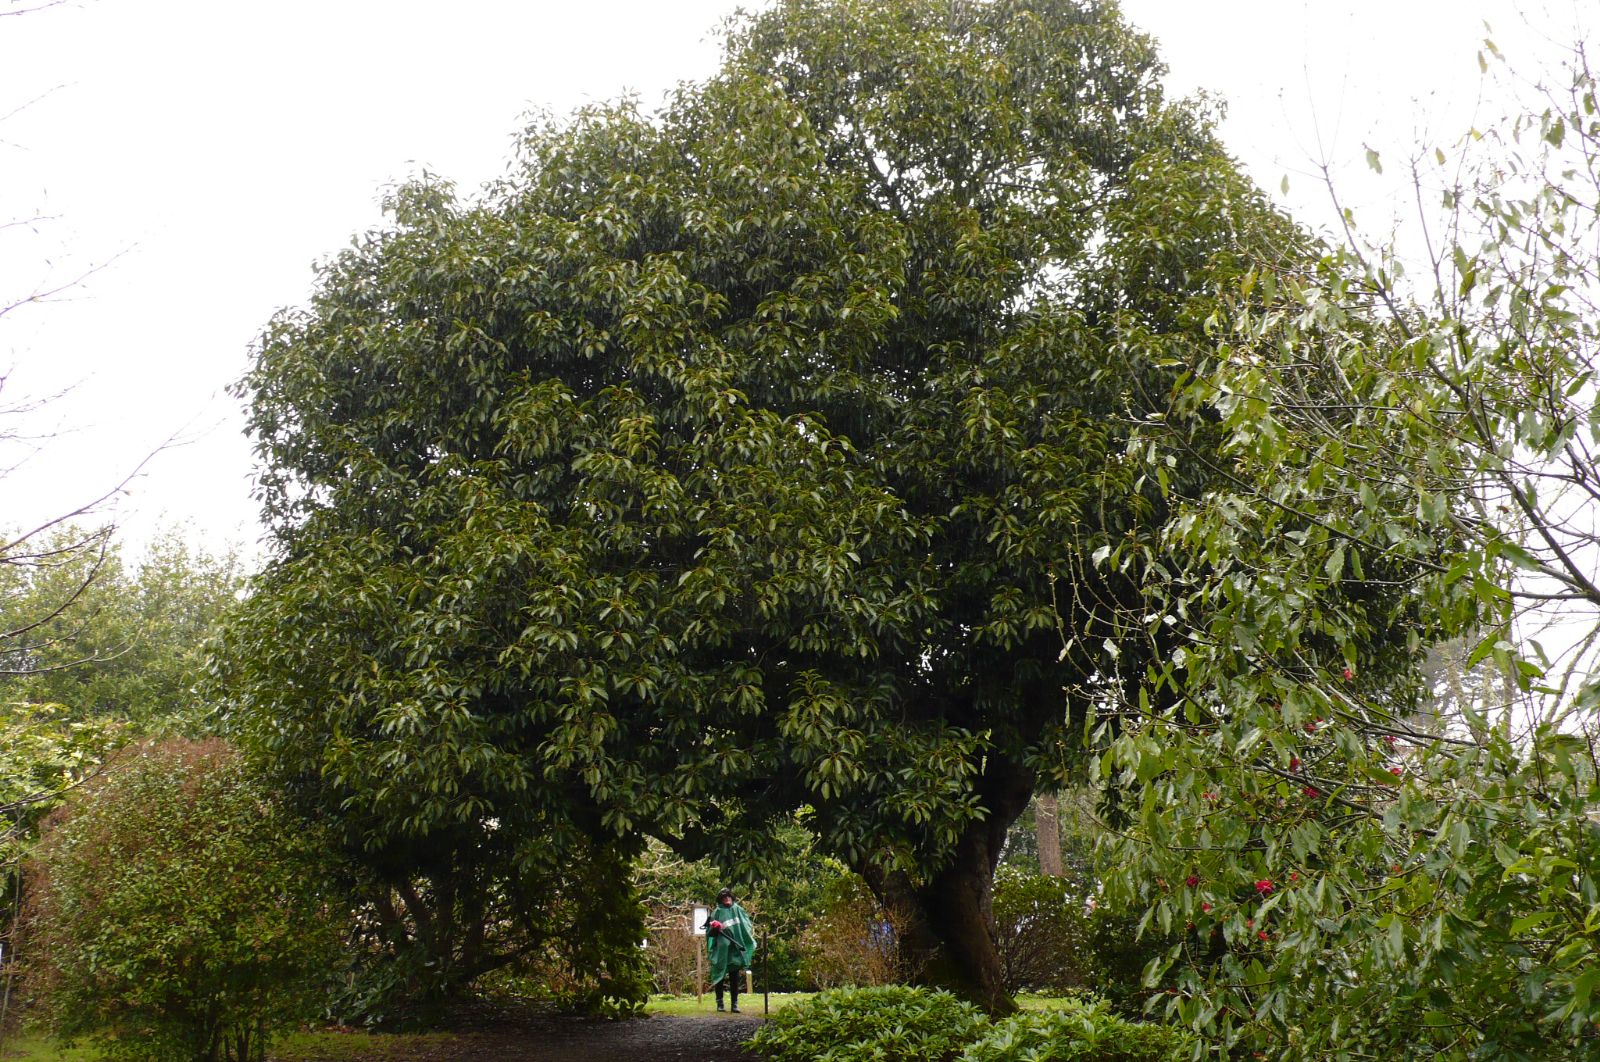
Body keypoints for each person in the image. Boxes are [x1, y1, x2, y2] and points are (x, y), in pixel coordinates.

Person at [704, 887, 757, 1013]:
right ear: (721, 899)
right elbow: (709, 933)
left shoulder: (738, 910)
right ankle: (720, 1003)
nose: (727, 899)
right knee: (719, 976)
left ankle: (734, 1004)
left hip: (735, 949)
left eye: (728, 896)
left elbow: (747, 927)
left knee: (734, 976)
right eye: (724, 897)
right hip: (721, 950)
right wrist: (714, 928)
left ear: (732, 898)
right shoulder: (716, 913)